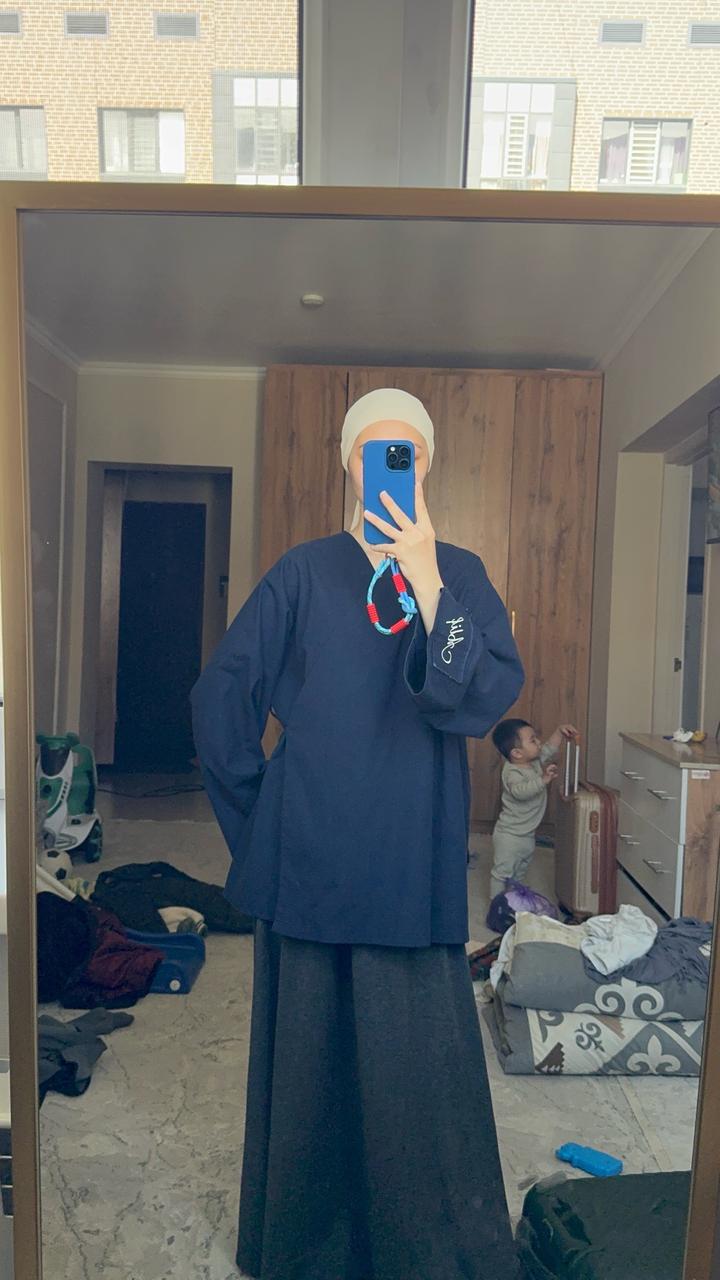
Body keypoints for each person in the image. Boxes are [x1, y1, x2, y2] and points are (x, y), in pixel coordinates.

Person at [191, 387, 525, 1280]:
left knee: (415, 1065)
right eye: (374, 453)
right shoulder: (303, 571)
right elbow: (221, 697)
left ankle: (420, 1252)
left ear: (426, 466)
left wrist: (428, 582)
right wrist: (263, 822)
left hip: (411, 856)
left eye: (404, 454)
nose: (389, 469)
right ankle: (307, 1252)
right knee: (311, 1066)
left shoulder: (460, 573)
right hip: (311, 851)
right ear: (348, 465)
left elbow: (483, 694)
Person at [490, 719, 579, 900]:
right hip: (510, 835)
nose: (538, 742)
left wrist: (559, 731)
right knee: (502, 872)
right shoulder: (512, 772)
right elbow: (520, 792)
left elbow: (549, 748)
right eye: (532, 740)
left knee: (520, 871)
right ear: (517, 753)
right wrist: (543, 780)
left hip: (527, 834)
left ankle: (514, 899)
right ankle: (497, 905)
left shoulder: (534, 761)